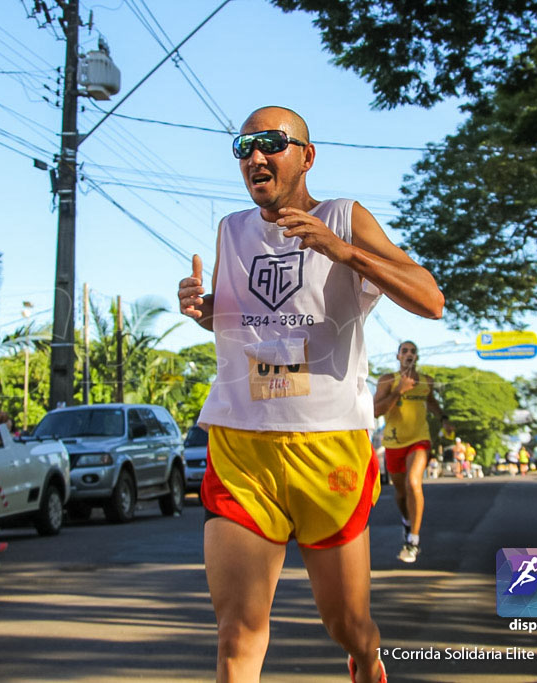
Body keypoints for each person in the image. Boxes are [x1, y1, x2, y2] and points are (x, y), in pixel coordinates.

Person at [178, 106, 443, 683]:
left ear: (306, 155)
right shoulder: (232, 230)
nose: (255, 157)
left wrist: (343, 251)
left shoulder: (345, 218)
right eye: (243, 146)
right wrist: (204, 312)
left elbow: (430, 298)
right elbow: (245, 326)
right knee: (237, 634)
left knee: (346, 622)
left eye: (271, 143)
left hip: (329, 447)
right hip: (241, 444)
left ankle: (367, 658)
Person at [373, 340, 448, 564]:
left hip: (419, 440)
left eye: (413, 351)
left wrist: (443, 419)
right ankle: (407, 522)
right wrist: (398, 391)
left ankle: (413, 540)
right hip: (394, 442)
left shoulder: (426, 381)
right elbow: (376, 411)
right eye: (404, 351)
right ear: (398, 357)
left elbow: (431, 402)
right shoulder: (388, 380)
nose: (409, 354)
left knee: (413, 483)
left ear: (417, 357)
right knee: (401, 493)